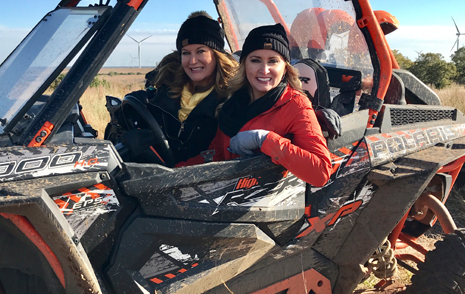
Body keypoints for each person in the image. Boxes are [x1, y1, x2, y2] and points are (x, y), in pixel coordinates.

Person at [181, 23, 332, 187]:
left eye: (273, 61)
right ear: (245, 65)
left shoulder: (295, 105)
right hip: (227, 197)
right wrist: (174, 174)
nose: (264, 70)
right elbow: (215, 155)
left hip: (264, 205)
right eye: (256, 60)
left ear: (285, 68)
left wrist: (264, 139)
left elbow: (321, 172)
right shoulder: (232, 102)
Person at [118, 12, 238, 165]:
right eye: (186, 53)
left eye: (201, 51)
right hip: (155, 175)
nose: (193, 61)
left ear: (216, 55)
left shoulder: (232, 100)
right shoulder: (163, 90)